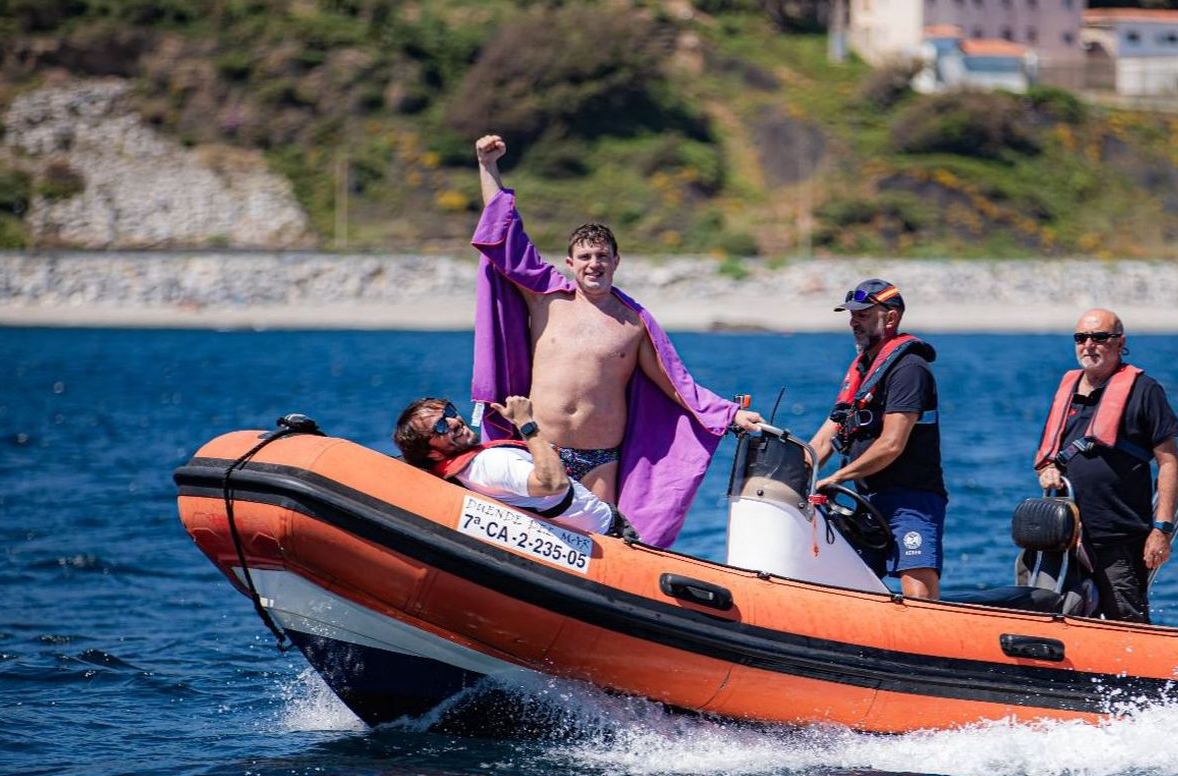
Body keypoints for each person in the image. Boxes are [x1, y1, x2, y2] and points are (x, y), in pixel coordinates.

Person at [469, 134, 762, 547]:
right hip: (539, 443)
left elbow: (677, 386)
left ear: (616, 261)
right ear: (570, 263)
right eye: (585, 257)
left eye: (602, 256)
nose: (594, 264)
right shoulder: (545, 298)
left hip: (599, 459)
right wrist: (488, 166)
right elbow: (505, 235)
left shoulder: (634, 323)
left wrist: (731, 416)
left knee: (600, 551)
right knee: (520, 540)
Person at [1033, 308, 1178, 624]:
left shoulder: (1145, 390)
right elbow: (1047, 456)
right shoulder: (1067, 389)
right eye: (1081, 338)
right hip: (1063, 535)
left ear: (1120, 342)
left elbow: (1169, 462)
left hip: (1117, 536)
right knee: (1048, 613)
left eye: (1099, 337)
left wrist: (1162, 529)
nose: (1088, 345)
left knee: (1126, 621)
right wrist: (1047, 470)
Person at [808, 279, 946, 600]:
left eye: (863, 314)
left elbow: (891, 444)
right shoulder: (863, 370)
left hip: (911, 499)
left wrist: (837, 478)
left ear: (891, 317)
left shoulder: (910, 369)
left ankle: (925, 628)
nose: (853, 322)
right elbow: (824, 439)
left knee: (916, 584)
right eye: (852, 315)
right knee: (845, 581)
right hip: (868, 499)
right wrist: (790, 474)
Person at [393, 394, 633, 539]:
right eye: (441, 427)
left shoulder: (467, 470)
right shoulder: (489, 463)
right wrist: (526, 423)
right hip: (607, 534)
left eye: (449, 412)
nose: (454, 421)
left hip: (595, 533)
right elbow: (553, 484)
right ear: (433, 453)